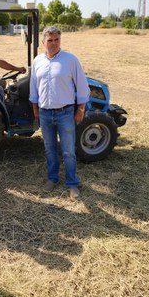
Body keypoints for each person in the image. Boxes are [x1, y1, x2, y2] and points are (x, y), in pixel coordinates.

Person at [29, 26, 90, 199]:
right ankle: (52, 178)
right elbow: (34, 87)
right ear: (43, 42)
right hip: (45, 114)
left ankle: (72, 184)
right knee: (50, 149)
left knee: (68, 151)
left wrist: (81, 109)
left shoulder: (70, 60)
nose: (53, 43)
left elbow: (82, 86)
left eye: (57, 40)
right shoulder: (37, 61)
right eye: (50, 40)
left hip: (65, 113)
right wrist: (35, 109)